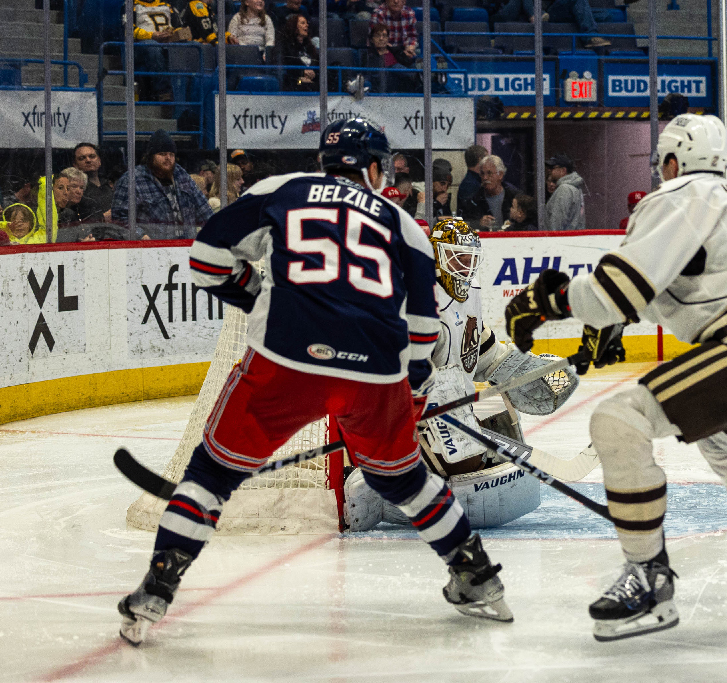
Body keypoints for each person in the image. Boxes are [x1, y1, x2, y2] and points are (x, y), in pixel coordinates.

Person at [116, 117, 513, 646]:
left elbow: (206, 259)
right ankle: (479, 578)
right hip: (375, 370)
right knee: (405, 480)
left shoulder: (279, 190)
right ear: (374, 166)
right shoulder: (404, 224)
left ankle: (158, 587)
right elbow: (421, 333)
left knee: (211, 473)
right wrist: (410, 398)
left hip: (285, 358)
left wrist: (257, 295)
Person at [504, 113, 727, 641]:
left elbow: (614, 290)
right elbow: (685, 289)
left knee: (618, 420)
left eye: (661, 164)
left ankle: (650, 579)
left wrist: (546, 301)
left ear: (673, 160)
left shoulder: (678, 196)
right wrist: (616, 318)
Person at [344, 217, 578, 530]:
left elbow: (478, 350)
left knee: (498, 423)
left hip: (447, 411)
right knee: (451, 403)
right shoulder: (412, 301)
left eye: (469, 259)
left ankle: (416, 472)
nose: (465, 267)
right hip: (405, 414)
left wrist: (515, 366)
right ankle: (378, 480)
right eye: (458, 258)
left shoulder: (470, 294)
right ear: (437, 256)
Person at [112, 129, 214, 240]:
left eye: (171, 154)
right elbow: (120, 218)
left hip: (185, 246)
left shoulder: (182, 175)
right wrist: (140, 235)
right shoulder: (132, 179)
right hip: (149, 249)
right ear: (150, 157)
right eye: (162, 154)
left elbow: (203, 209)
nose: (168, 158)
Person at [492, 0, 610, 49]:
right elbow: (503, 14)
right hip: (518, 13)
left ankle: (591, 36)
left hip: (548, 13)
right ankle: (590, 35)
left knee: (606, 15)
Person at [459, 155, 518, 232]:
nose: (485, 178)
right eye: (482, 174)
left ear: (500, 175)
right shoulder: (474, 200)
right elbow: (464, 224)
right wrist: (479, 223)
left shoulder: (514, 197)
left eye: (489, 173)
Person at [370, 0, 420, 66]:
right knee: (398, 67)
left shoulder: (409, 13)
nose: (396, 1)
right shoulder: (378, 13)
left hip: (403, 50)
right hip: (386, 51)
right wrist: (397, 51)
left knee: (420, 54)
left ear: (404, 1)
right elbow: (379, 40)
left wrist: (410, 47)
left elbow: (412, 36)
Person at [544, 153, 586, 231]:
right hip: (571, 238)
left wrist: (552, 240)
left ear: (563, 170)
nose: (550, 170)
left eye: (553, 167)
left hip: (560, 240)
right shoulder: (575, 188)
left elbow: (557, 222)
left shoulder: (564, 189)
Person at [277, 13, 319, 91]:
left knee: (336, 66)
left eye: (307, 23)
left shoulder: (310, 48)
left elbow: (318, 66)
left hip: (312, 81)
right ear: (294, 26)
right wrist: (301, 74)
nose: (306, 25)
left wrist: (314, 74)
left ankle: (348, 86)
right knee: (303, 83)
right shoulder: (285, 46)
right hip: (297, 81)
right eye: (303, 23)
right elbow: (285, 69)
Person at [73, 143, 114, 220]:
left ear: (99, 161)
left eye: (92, 156)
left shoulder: (109, 185)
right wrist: (103, 218)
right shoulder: (75, 190)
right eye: (82, 158)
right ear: (75, 165)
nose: (88, 160)